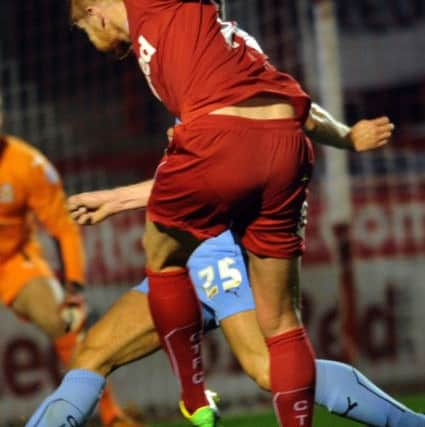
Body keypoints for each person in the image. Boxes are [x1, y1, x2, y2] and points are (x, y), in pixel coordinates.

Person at [25, 108, 408, 427]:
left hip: (221, 243)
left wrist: (346, 137)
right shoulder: (172, 61)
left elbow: (290, 113)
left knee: (265, 368)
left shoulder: (216, 57)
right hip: (190, 254)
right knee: (92, 353)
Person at [0, 99, 145, 427]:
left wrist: (74, 285)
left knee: (64, 321)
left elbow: (64, 228)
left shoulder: (28, 165)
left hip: (12, 263)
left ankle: (112, 416)